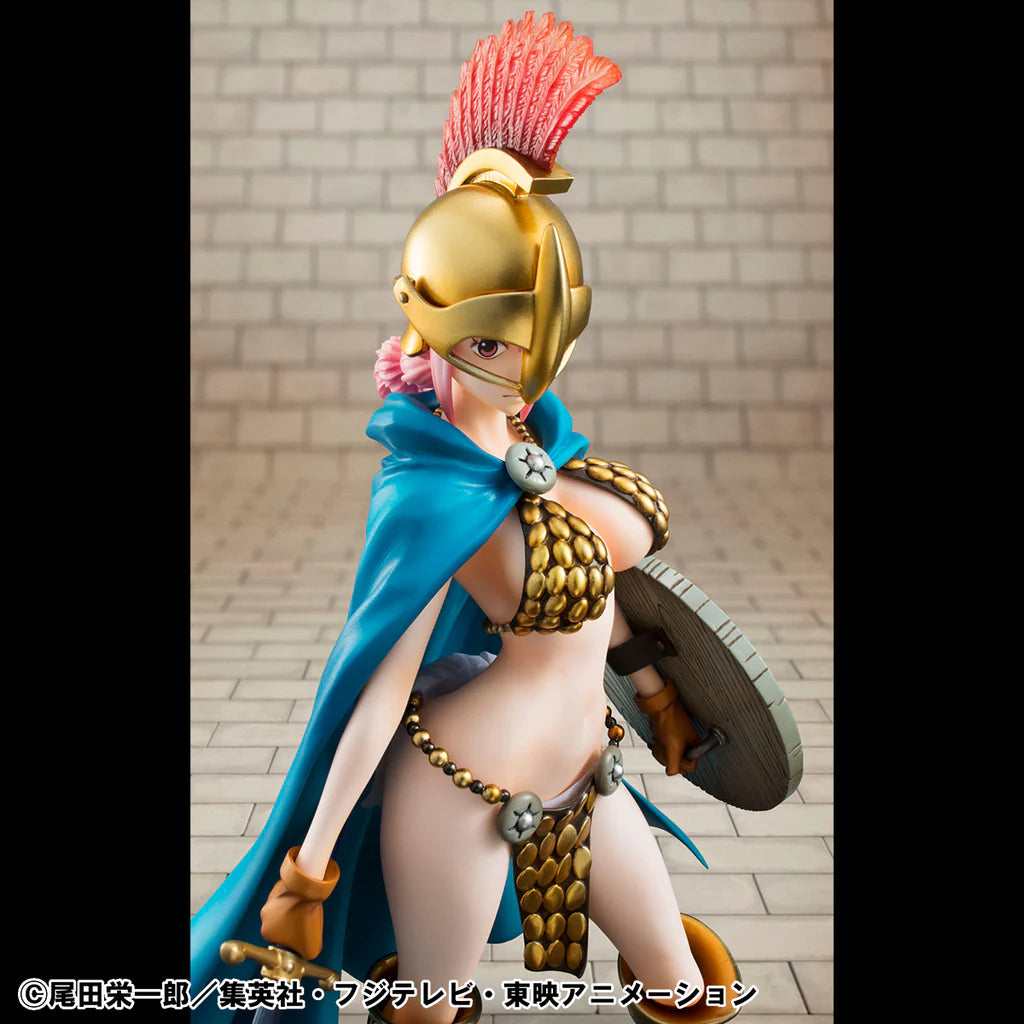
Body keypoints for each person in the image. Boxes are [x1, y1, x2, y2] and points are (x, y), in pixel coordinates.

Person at [190, 13, 737, 1024]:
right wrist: (308, 871)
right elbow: (378, 681)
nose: (518, 368)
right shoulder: (429, 496)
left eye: (537, 342)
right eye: (491, 345)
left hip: (588, 773)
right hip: (461, 785)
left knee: (686, 985)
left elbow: (591, 595)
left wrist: (658, 690)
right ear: (433, 333)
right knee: (432, 1009)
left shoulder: (544, 457)